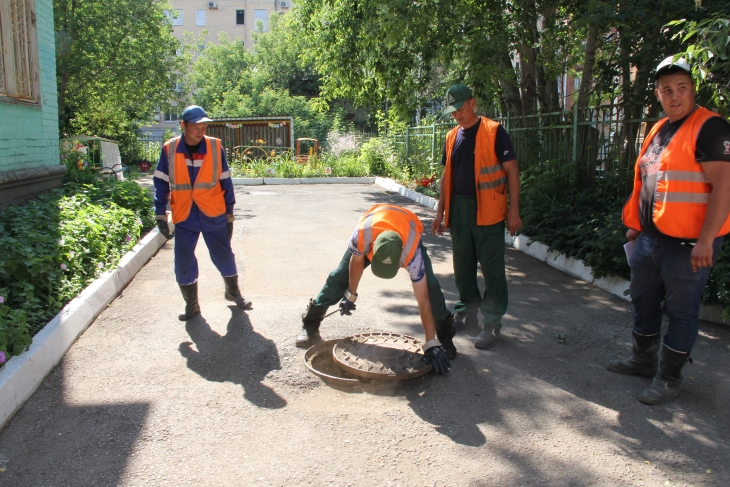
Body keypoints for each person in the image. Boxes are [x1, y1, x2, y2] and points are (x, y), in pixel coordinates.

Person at [608, 56, 730, 405]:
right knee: (643, 300)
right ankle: (643, 360)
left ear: (693, 90)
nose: (674, 96)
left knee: (681, 310)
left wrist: (707, 240)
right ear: (658, 95)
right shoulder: (658, 129)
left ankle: (669, 377)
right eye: (666, 90)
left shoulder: (710, 128)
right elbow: (648, 182)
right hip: (650, 238)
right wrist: (635, 227)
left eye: (681, 89)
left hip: (690, 244)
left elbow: (724, 187)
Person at [295, 204, 455, 374]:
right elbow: (356, 262)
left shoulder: (411, 251)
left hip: (405, 228)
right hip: (376, 223)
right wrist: (351, 295)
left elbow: (423, 299)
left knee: (431, 287)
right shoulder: (362, 235)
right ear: (371, 248)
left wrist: (431, 343)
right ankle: (310, 324)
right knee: (338, 277)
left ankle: (443, 337)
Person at [431, 84, 522, 350]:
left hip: (489, 210)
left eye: (459, 109)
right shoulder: (451, 137)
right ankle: (467, 311)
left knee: (493, 269)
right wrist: (440, 211)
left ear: (473, 103)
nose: (456, 115)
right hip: (459, 210)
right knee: (463, 267)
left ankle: (492, 324)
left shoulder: (494, 131)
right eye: (452, 111)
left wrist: (513, 210)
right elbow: (446, 175)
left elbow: (512, 171)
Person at [153, 105, 252, 320]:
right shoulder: (169, 149)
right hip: (185, 214)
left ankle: (233, 292)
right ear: (183, 126)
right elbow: (160, 182)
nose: (200, 130)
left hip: (213, 212)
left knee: (224, 254)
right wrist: (160, 213)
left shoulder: (215, 147)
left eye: (204, 126)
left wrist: (229, 213)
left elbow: (226, 180)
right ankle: (192, 304)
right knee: (184, 259)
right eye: (195, 126)